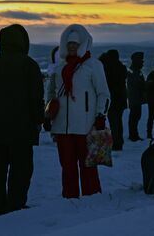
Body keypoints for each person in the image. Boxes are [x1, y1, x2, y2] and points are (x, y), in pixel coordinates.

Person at [0, 24, 44, 218]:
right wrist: (39, 120)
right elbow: (36, 99)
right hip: (23, 130)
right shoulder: (29, 65)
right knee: (21, 170)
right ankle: (15, 206)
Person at [46, 24, 110, 198]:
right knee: (67, 166)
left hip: (85, 125)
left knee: (87, 165)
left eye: (75, 44)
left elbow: (103, 93)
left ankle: (93, 196)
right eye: (69, 44)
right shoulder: (59, 67)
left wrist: (100, 115)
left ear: (83, 44)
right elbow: (51, 92)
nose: (72, 47)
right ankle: (69, 197)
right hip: (62, 126)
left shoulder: (93, 65)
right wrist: (47, 113)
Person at [99, 49, 127, 151]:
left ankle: (115, 143)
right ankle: (119, 141)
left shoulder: (108, 68)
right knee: (118, 122)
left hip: (112, 100)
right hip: (121, 99)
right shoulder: (122, 68)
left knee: (113, 122)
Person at [127, 51, 146, 141]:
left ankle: (134, 134)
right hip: (134, 97)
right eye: (141, 60)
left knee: (136, 116)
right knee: (134, 117)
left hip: (137, 97)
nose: (142, 62)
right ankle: (133, 135)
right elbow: (136, 83)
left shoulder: (137, 70)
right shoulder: (133, 70)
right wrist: (145, 85)